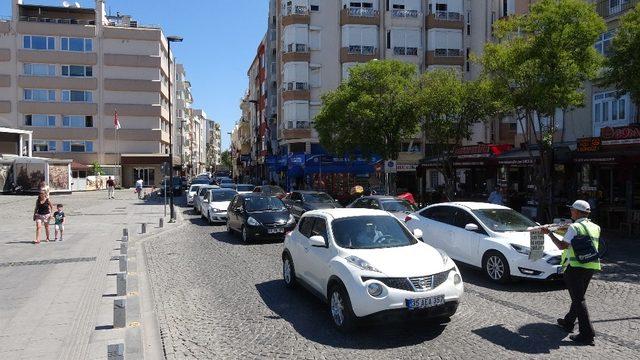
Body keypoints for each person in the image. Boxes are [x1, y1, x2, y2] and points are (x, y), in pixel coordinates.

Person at [542, 200, 600, 346]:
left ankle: (587, 334)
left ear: (578, 212)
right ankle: (568, 322)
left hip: (574, 266)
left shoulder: (574, 227)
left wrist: (549, 233)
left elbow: (562, 246)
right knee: (578, 297)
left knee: (579, 299)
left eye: (572, 210)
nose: (570, 212)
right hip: (591, 266)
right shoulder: (595, 227)